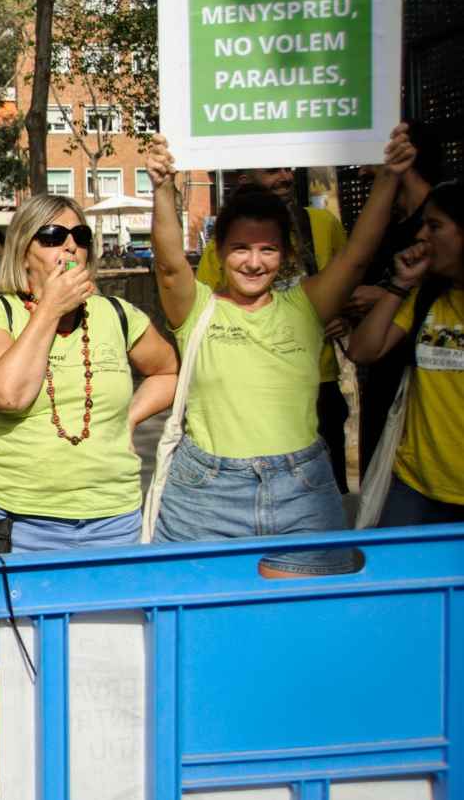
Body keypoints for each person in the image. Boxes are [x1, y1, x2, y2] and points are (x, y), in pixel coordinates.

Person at [0, 193, 178, 800]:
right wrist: (47, 310)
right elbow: (6, 392)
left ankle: (101, 786)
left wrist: (122, 419)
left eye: (79, 237)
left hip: (109, 518)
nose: (70, 248)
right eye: (54, 236)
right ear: (23, 251)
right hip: (19, 523)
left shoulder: (115, 314)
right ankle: (12, 796)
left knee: (106, 657)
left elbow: (168, 370)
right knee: (14, 662)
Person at [147, 128, 410, 573]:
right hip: (205, 494)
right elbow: (171, 264)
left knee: (305, 628)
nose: (254, 262)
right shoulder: (198, 310)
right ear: (220, 250)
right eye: (241, 249)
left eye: (268, 249)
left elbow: (357, 258)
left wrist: (389, 178)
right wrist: (163, 187)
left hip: (301, 492)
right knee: (200, 628)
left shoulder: (305, 305)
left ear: (286, 253)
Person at [194, 164, 352, 490]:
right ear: (244, 180)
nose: (285, 177)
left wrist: (343, 313)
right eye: (271, 171)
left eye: (288, 169)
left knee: (325, 492)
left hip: (319, 384)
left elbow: (349, 279)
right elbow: (202, 310)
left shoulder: (322, 223)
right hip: (246, 388)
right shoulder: (218, 249)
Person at [347, 177, 464, 525]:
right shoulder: (426, 296)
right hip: (414, 486)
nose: (421, 236)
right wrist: (399, 285)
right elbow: (362, 350)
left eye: (435, 226)